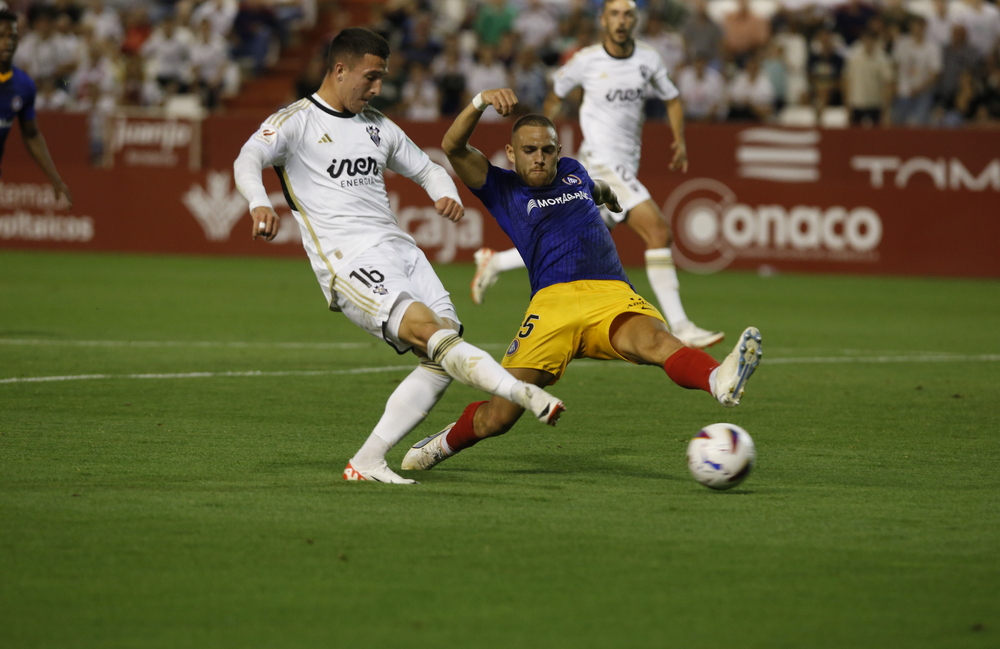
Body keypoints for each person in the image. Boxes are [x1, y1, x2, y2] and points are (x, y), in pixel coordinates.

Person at [232, 28, 566, 485]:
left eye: (382, 79)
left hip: (400, 249)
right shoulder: (296, 121)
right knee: (431, 336)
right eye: (370, 78)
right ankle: (521, 393)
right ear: (339, 69)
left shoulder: (376, 124)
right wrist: (259, 203)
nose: (376, 89)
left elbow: (426, 166)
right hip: (348, 260)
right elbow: (248, 157)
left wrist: (443, 193)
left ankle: (367, 461)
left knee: (442, 348)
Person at [399, 88, 762, 473]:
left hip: (610, 292)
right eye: (529, 150)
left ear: (558, 151)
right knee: (499, 418)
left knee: (657, 341)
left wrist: (608, 196)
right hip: (551, 305)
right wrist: (479, 102)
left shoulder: (573, 170)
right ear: (511, 153)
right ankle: (440, 445)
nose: (539, 157)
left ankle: (717, 379)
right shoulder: (501, 187)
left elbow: (592, 188)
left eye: (547, 150)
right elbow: (452, 147)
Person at [471, 0, 724, 350]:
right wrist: (546, 138)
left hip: (625, 164)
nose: (621, 20)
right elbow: (555, 95)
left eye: (628, 14)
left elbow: (673, 99)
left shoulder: (648, 59)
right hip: (603, 163)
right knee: (658, 233)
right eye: (615, 14)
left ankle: (495, 261)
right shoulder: (585, 61)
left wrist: (679, 139)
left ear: (635, 20)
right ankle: (681, 326)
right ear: (603, 20)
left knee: (580, 236)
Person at [0, 10, 72, 207]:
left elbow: (31, 134)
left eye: (12, 36)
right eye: (1, 36)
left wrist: (55, 178)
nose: (8, 42)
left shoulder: (24, 86)